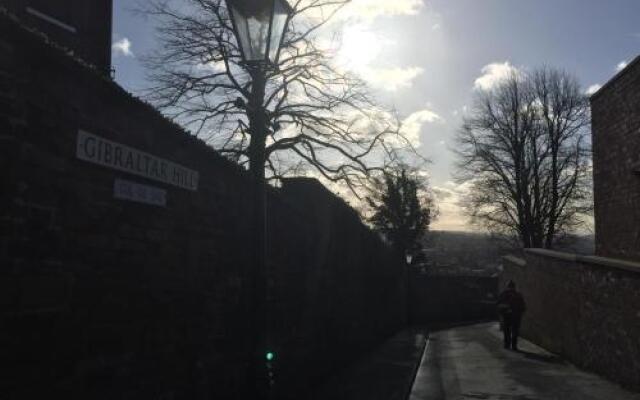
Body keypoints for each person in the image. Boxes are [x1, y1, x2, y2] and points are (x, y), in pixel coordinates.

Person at [497, 280, 526, 351]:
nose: (511, 288)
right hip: (512, 316)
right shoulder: (515, 295)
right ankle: (511, 345)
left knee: (510, 331)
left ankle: (510, 345)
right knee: (511, 331)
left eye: (511, 287)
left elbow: (498, 305)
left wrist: (504, 311)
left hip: (511, 316)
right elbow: (523, 307)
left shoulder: (504, 294)